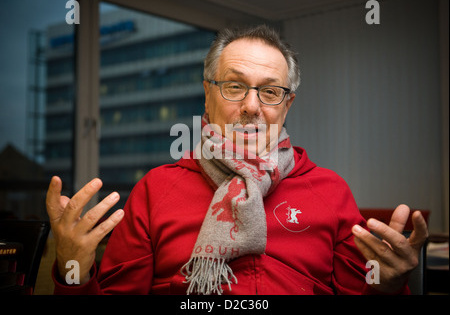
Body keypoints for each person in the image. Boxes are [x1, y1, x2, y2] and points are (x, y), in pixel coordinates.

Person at [46, 25, 428, 295]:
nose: (251, 107)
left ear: (287, 104)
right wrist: (72, 269)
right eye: (235, 86)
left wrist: (389, 286)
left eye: (270, 91)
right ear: (207, 95)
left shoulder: (330, 191)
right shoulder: (156, 189)